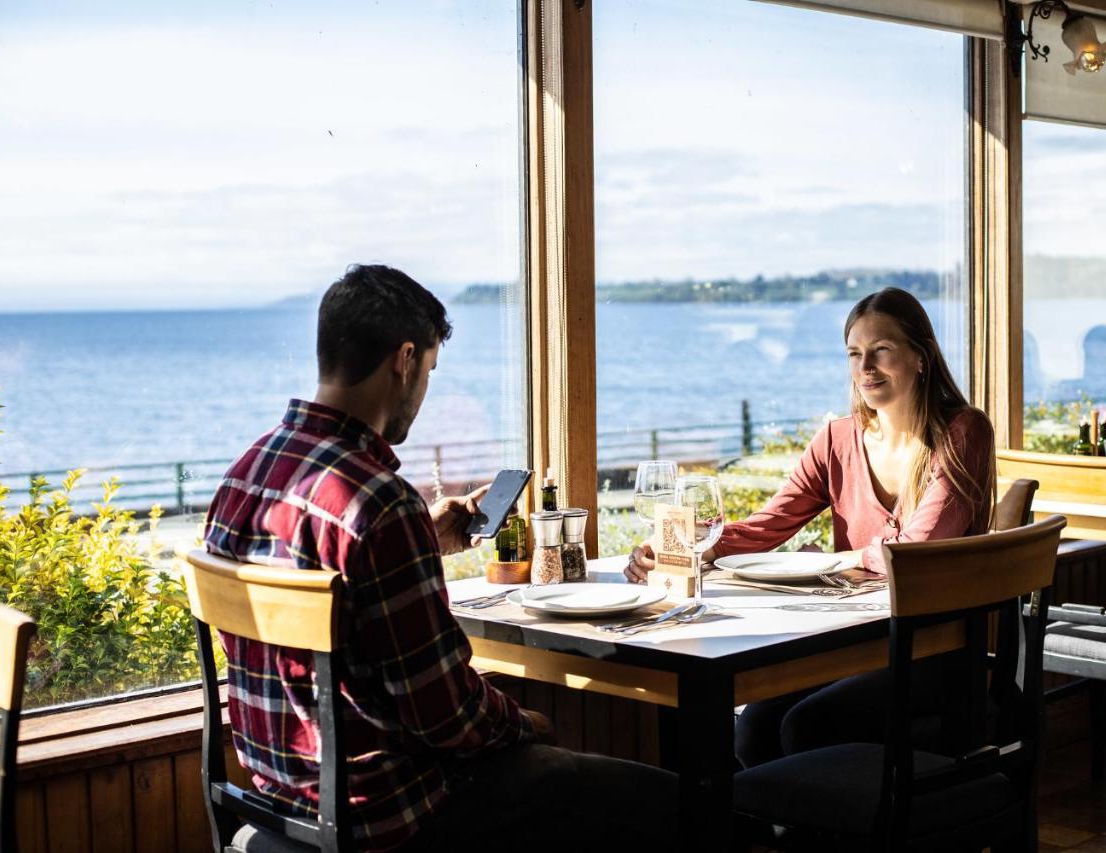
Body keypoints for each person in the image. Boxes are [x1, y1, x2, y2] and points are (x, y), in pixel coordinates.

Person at [205, 265, 676, 852]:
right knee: (671, 805)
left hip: (279, 797)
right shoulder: (379, 503)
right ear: (403, 359)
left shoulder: (244, 476)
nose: (424, 391)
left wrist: (422, 537)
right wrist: (526, 723)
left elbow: (318, 592)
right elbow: (447, 717)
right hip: (389, 815)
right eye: (428, 370)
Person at [624, 287, 996, 767]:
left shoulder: (963, 431)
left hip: (935, 650)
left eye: (881, 350)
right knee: (753, 726)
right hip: (857, 641)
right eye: (855, 354)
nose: (866, 368)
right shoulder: (837, 438)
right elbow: (770, 524)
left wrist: (835, 559)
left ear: (920, 358)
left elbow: (917, 550)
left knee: (806, 725)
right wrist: (685, 544)